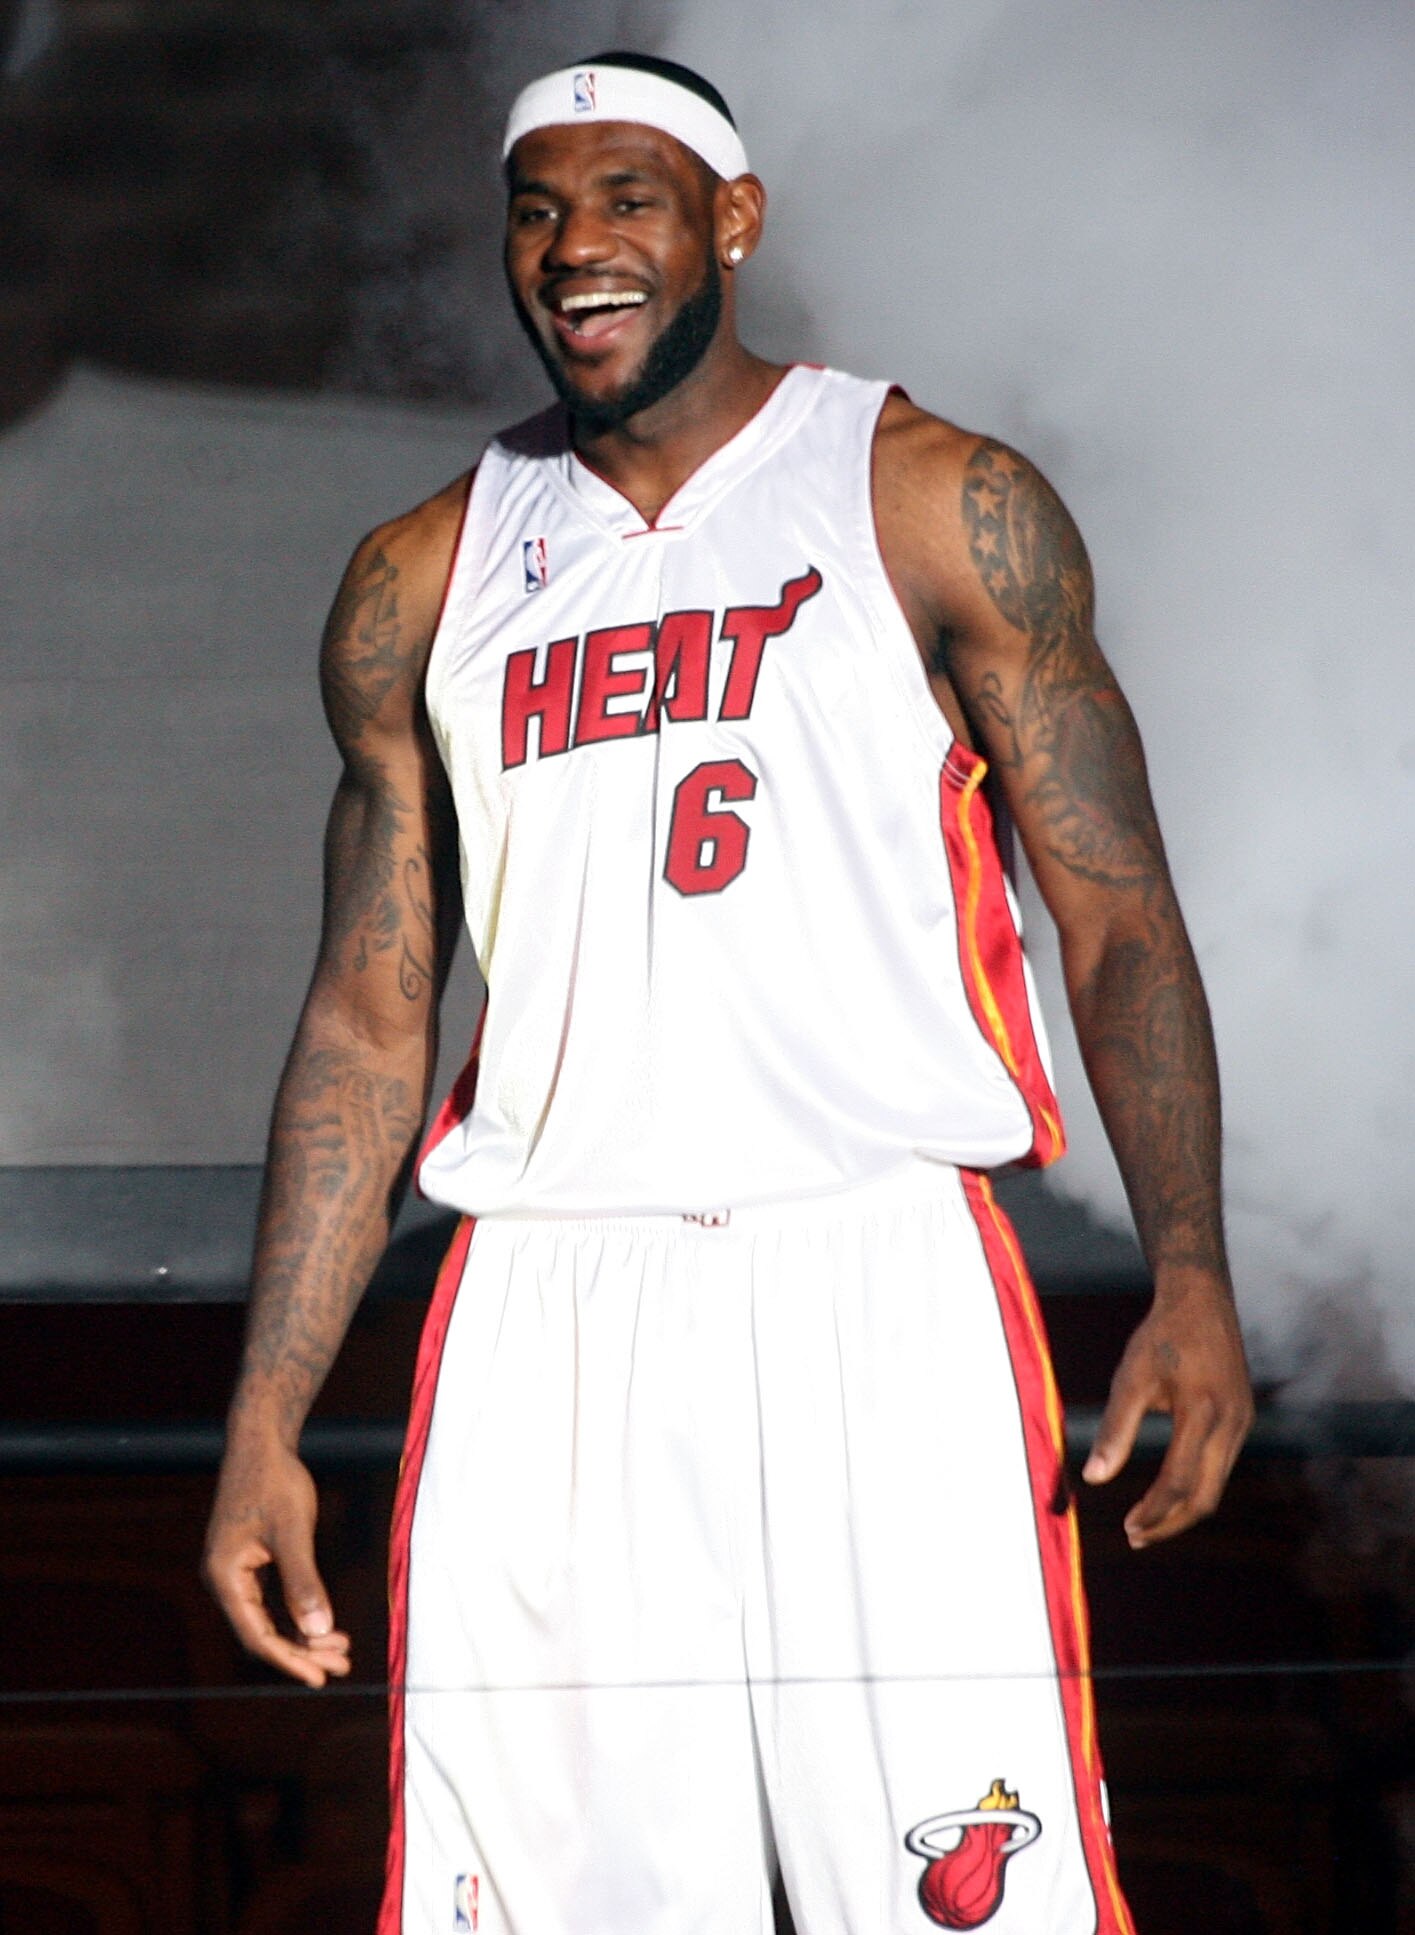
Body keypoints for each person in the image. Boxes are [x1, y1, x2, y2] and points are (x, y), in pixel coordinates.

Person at [204, 50, 1253, 1935]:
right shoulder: (422, 578)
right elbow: (367, 1018)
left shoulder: (932, 498)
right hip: (550, 1306)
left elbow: (1117, 918)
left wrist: (1192, 1267)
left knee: (968, 1903)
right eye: (538, 211)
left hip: (878, 1274)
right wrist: (264, 1417)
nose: (575, 248)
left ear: (733, 222)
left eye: (627, 199)